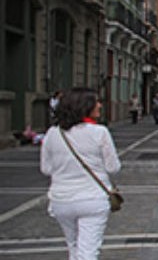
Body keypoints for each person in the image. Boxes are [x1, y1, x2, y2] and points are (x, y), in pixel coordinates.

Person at [40, 88, 121, 260]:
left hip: (61, 199)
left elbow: (46, 169)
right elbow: (113, 167)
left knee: (73, 247)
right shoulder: (100, 132)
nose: (100, 105)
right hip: (93, 199)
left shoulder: (53, 133)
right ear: (85, 106)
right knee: (89, 251)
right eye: (96, 102)